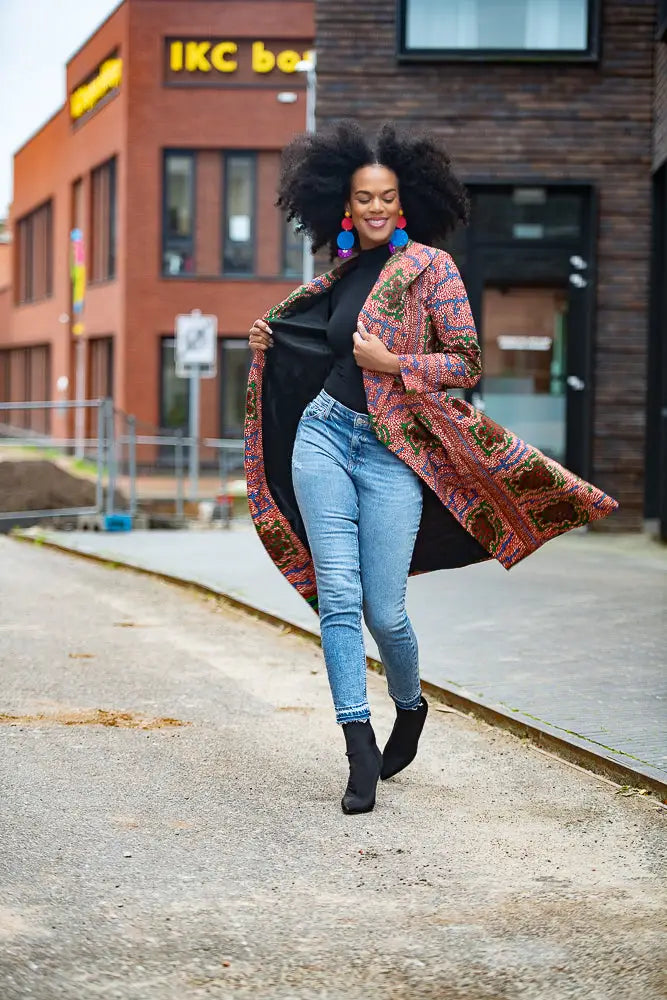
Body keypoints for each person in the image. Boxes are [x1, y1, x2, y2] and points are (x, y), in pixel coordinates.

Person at [245, 120, 618, 816]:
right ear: (345, 205)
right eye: (363, 198)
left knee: (384, 611)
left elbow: (466, 362)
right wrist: (269, 338)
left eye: (386, 197)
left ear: (405, 202)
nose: (375, 208)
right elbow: (314, 345)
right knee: (338, 597)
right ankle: (357, 746)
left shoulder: (432, 269)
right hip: (323, 436)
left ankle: (409, 705)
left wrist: (394, 363)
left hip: (393, 455)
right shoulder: (339, 274)